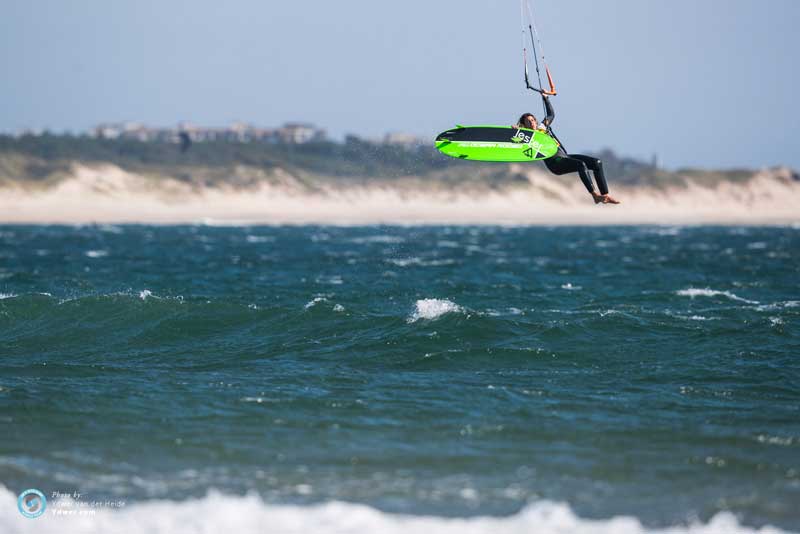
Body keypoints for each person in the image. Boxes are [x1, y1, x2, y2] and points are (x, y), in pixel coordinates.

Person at [517, 96, 620, 204]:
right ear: (524, 125)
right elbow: (518, 141)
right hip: (555, 163)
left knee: (596, 163)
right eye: (528, 122)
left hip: (565, 156)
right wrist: (517, 131)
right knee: (581, 164)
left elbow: (551, 115)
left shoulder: (542, 127)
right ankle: (595, 196)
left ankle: (605, 195)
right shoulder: (528, 136)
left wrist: (546, 98)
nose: (532, 122)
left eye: (533, 120)